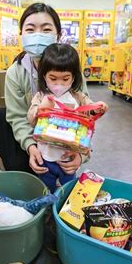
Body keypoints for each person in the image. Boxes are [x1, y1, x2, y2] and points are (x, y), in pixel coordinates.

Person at [0, 3, 90, 176]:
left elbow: (86, 116)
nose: (37, 35)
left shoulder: (72, 72)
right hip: (32, 133)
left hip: (64, 135)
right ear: (21, 35)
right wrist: (31, 146)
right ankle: (12, 175)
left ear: (58, 35)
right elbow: (17, 117)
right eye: (30, 29)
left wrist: (81, 154)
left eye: (46, 30)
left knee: (62, 174)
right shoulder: (15, 72)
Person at [27, 43, 108, 193]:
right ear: (44, 76)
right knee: (45, 189)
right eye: (53, 78)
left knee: (68, 189)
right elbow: (30, 119)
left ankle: (63, 209)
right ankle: (46, 210)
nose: (59, 84)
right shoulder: (41, 96)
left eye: (65, 79)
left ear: (73, 77)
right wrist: (41, 109)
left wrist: (98, 107)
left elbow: (91, 111)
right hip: (45, 156)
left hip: (68, 156)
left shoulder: (78, 97)